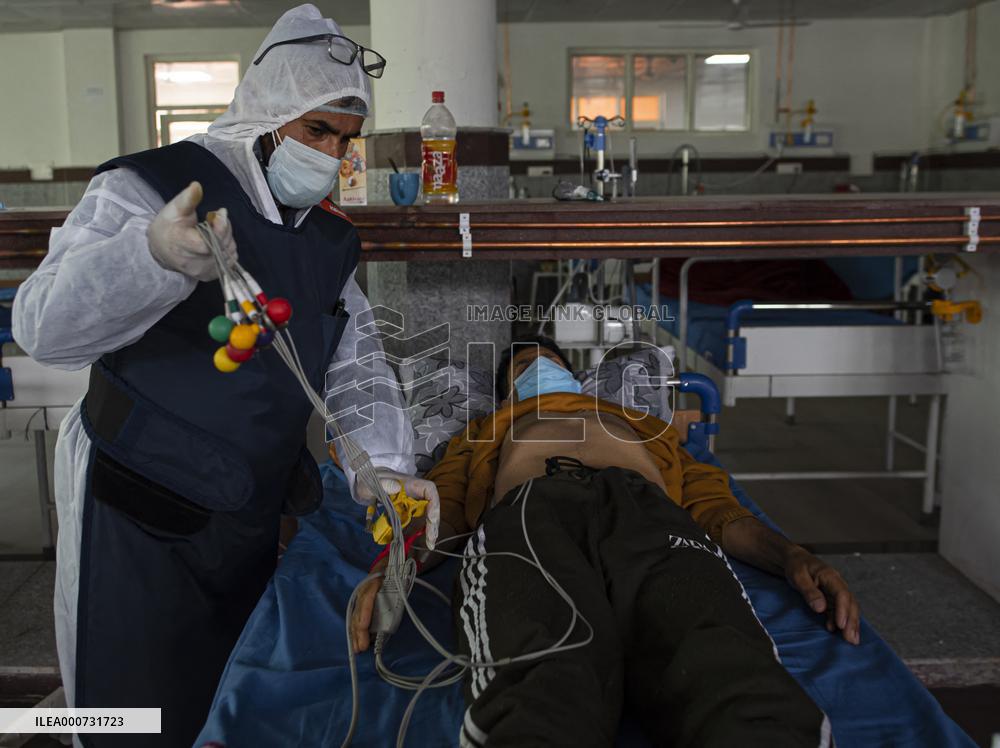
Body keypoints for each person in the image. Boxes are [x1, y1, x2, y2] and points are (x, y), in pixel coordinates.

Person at [12, 5, 438, 747]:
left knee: (222, 691)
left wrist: (387, 469)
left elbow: (355, 358)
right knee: (123, 703)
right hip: (133, 499)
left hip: (244, 506)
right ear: (268, 117)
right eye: (317, 132)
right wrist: (147, 258)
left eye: (345, 140)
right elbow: (44, 330)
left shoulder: (329, 239)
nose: (333, 155)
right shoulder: (151, 188)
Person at [353, 335, 860, 747]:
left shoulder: (647, 427)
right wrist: (393, 567)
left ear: (572, 373)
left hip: (650, 513)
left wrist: (791, 555)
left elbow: (715, 510)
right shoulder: (483, 430)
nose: (539, 369)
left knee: (727, 669)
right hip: (532, 509)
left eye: (548, 360)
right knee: (543, 682)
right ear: (507, 391)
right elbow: (442, 512)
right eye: (523, 367)